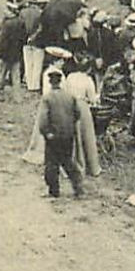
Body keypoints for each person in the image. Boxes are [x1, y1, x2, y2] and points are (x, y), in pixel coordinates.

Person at [37, 67, 85, 197]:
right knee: (68, 161)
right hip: (68, 135)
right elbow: (78, 114)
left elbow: (42, 119)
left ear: (50, 83)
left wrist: (46, 132)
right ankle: (78, 186)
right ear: (60, 81)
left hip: (53, 136)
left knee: (51, 164)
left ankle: (54, 191)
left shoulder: (47, 98)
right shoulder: (70, 96)